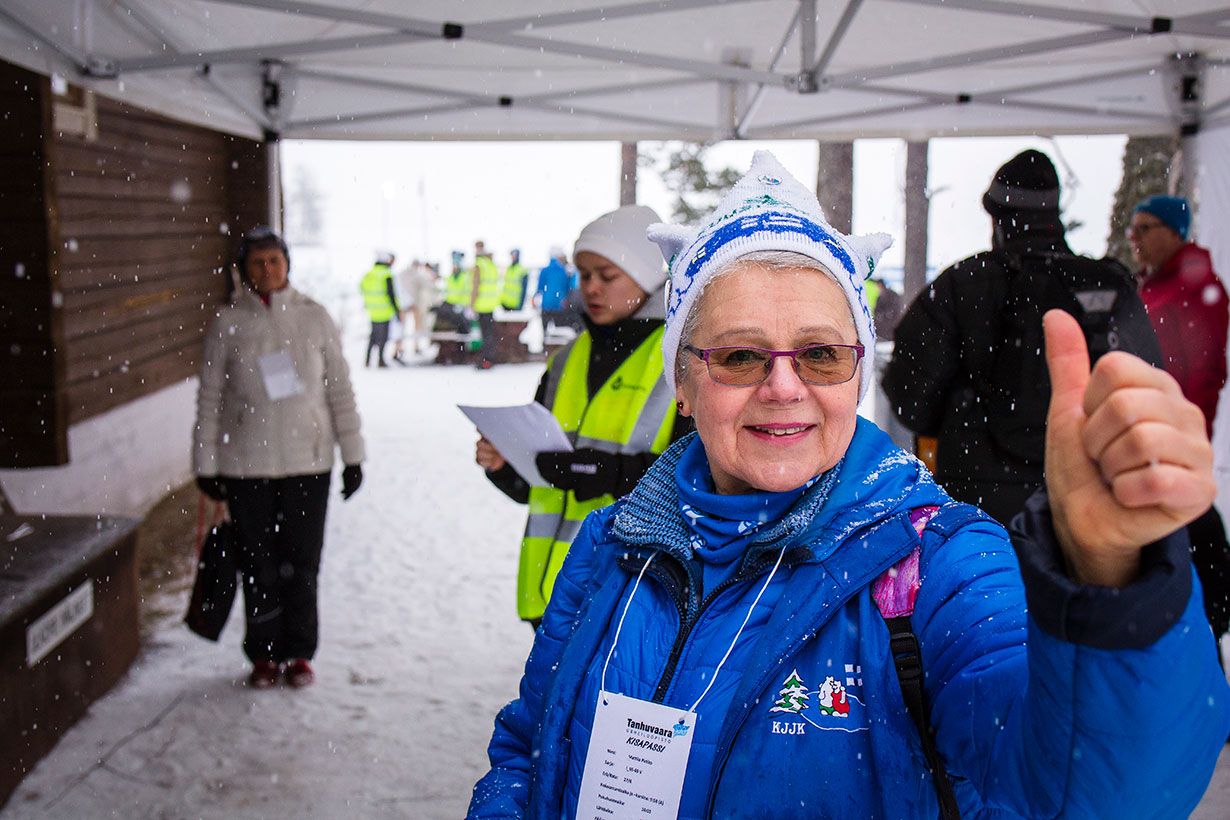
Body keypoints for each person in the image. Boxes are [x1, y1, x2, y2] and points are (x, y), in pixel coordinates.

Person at [468, 151, 1229, 819]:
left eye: (822, 355)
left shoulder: (941, 564)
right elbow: (532, 752)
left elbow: (1080, 796)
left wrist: (1110, 579)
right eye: (738, 357)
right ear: (684, 383)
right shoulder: (610, 545)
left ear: (859, 370)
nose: (783, 386)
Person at [883, 149, 1161, 525]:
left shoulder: (962, 283)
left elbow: (910, 401)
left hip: (977, 513)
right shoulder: (1108, 286)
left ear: (997, 215)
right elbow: (1150, 394)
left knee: (986, 585)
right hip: (1088, 501)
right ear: (1054, 214)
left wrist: (967, 419)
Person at [475, 205, 691, 628]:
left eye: (606, 275)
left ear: (648, 276)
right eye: (584, 273)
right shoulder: (565, 361)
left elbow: (696, 479)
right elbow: (537, 481)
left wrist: (600, 470)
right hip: (553, 598)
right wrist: (505, 466)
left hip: (632, 597)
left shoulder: (681, 361)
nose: (590, 287)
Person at [193, 227, 365, 690]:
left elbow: (339, 391)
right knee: (258, 565)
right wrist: (205, 464)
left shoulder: (315, 318)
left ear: (288, 263)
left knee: (303, 563)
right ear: (243, 269)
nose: (267, 270)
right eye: (257, 263)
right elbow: (209, 398)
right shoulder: (228, 323)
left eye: (275, 261)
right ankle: (264, 654)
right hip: (246, 465)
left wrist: (352, 456)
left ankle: (299, 653)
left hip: (308, 464)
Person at [1129, 194, 1230, 649]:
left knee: (1187, 542)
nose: (1134, 237)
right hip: (1148, 438)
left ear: (1175, 231)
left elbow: (1203, 375)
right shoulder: (1153, 285)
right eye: (1133, 228)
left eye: (1145, 227)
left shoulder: (1195, 287)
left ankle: (1202, 641)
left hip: (1168, 442)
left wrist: (1179, 434)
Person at [360, 250, 400, 368]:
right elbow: (391, 294)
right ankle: (380, 360)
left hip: (372, 310)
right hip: (384, 311)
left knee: (373, 335)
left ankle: (367, 360)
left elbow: (361, 288)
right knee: (383, 337)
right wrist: (396, 310)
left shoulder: (368, 274)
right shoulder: (386, 274)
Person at [535, 246, 582, 339]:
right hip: (560, 305)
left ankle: (546, 347)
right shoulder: (565, 271)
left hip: (546, 305)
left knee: (545, 332)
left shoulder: (545, 270)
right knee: (560, 332)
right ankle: (557, 349)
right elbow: (571, 287)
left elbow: (540, 288)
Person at [472, 240, 504, 369]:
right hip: (491, 304)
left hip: (482, 304)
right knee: (489, 333)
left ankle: (486, 360)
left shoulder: (479, 265)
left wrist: (471, 304)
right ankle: (489, 359)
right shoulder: (491, 264)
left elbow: (475, 286)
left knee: (485, 334)